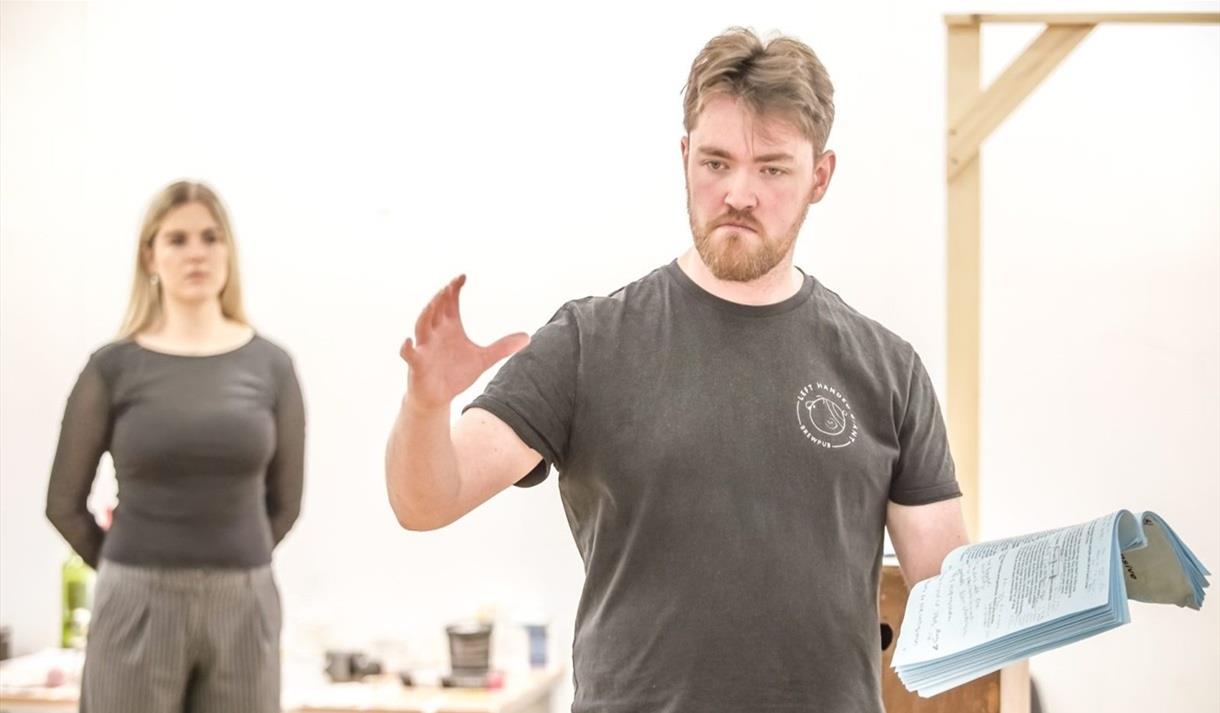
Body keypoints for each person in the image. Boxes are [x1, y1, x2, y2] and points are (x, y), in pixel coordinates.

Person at [385, 28, 968, 713]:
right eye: (716, 162)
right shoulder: (589, 343)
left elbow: (951, 601)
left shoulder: (887, 368)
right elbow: (424, 501)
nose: (738, 193)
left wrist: (1077, 577)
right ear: (685, 156)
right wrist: (425, 405)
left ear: (820, 176)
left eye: (772, 168)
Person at [45, 180, 304, 713]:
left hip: (245, 606)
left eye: (211, 237)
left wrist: (229, 557)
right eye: (178, 239)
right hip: (134, 603)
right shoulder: (110, 368)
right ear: (150, 255)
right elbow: (63, 504)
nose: (196, 253)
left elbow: (286, 503)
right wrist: (129, 568)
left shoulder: (271, 365)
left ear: (228, 250)